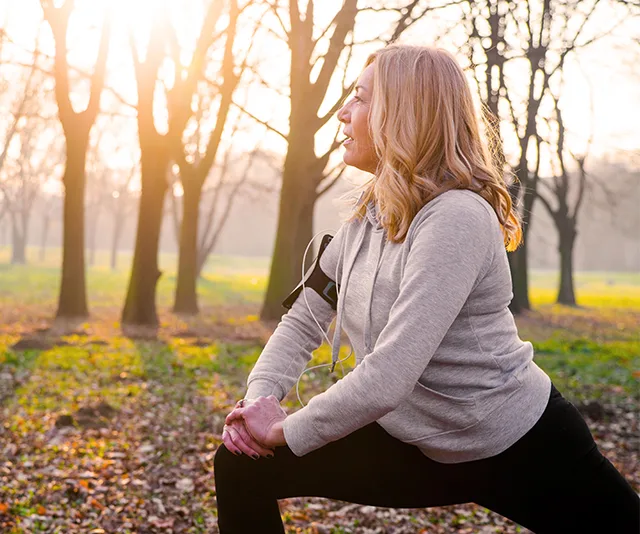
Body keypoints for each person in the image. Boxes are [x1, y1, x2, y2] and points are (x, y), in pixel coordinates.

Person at [213, 45, 640, 533]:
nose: (342, 112)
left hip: (514, 441)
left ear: (405, 113)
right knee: (240, 465)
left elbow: (389, 375)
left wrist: (284, 430)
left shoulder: (456, 217)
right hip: (413, 443)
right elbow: (301, 322)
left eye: (359, 97)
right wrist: (257, 405)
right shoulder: (365, 222)